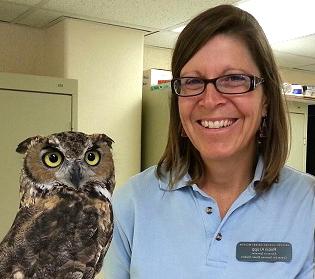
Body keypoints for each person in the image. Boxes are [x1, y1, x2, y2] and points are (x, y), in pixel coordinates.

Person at [104, 4, 315, 279]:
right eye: (192, 81)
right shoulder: (130, 203)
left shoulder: (308, 203)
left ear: (266, 100)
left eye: (234, 79)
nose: (211, 100)